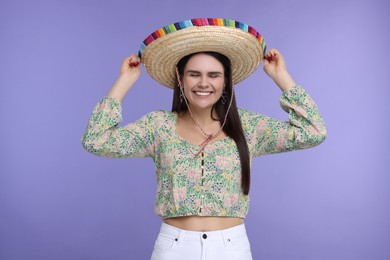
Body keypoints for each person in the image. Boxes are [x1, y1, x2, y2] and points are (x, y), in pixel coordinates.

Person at [81, 18, 326, 260]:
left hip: (231, 249)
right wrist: (124, 82)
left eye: (214, 75)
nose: (204, 83)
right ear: (181, 78)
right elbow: (96, 140)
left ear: (226, 81)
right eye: (194, 74)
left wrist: (280, 75)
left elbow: (313, 131)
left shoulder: (248, 127)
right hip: (173, 249)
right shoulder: (158, 126)